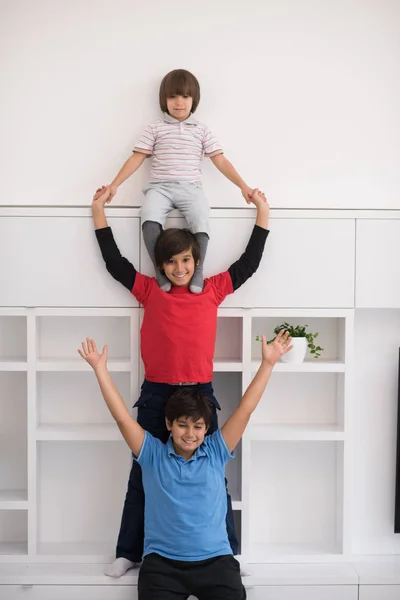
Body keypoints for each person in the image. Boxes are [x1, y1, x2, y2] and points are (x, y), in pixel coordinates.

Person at [92, 184, 270, 577]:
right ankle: (128, 551)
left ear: (196, 260)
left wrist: (262, 213)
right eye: (171, 262)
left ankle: (228, 554)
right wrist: (99, 213)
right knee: (143, 474)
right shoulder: (149, 290)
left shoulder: (213, 289)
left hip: (200, 393)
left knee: (213, 477)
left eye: (186, 260)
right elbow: (115, 263)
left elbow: (249, 263)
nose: (179, 268)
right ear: (161, 264)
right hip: (157, 394)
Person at [78, 331, 292, 599]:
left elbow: (246, 409)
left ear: (206, 428)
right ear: (169, 424)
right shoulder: (152, 454)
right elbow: (122, 418)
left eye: (197, 426)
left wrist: (268, 363)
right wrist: (100, 369)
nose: (190, 434)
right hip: (162, 567)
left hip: (217, 563)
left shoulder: (216, 450)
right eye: (182, 425)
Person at [94, 68, 255, 293]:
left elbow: (220, 161)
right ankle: (161, 269)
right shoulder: (155, 128)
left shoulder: (201, 130)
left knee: (201, 216)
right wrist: (114, 185)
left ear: (194, 100)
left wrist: (243, 186)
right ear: (164, 100)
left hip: (190, 188)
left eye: (185, 96)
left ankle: (197, 270)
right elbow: (137, 158)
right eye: (172, 96)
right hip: (160, 188)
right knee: (148, 217)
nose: (179, 102)